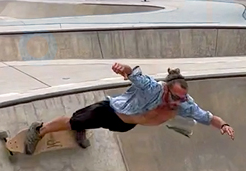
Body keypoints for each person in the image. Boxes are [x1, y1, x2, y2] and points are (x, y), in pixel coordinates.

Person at [24, 63, 235, 153]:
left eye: (180, 99)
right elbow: (133, 74)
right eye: (174, 97)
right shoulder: (153, 88)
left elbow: (207, 117)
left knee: (96, 125)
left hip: (125, 125)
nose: (176, 103)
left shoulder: (185, 105)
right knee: (74, 120)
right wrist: (122, 69)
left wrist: (224, 125)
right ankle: (39, 130)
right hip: (109, 110)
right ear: (167, 89)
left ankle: (84, 128)